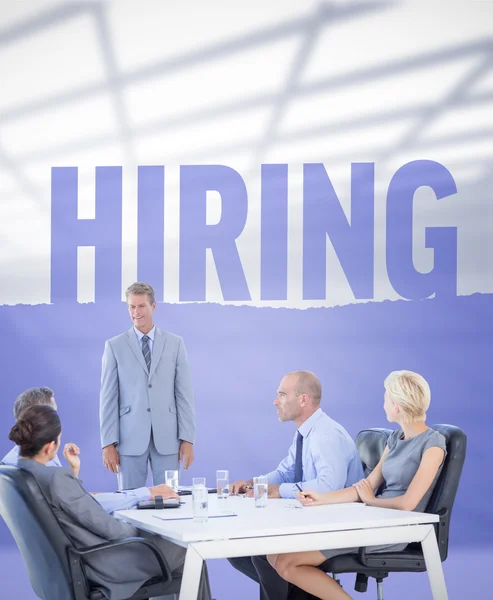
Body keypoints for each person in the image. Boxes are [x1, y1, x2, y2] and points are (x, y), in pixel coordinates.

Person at [267, 370, 447, 600]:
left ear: (397, 405)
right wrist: (321, 498)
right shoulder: (395, 439)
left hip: (396, 528)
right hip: (373, 518)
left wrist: (371, 500)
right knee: (276, 555)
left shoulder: (433, 443)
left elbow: (408, 503)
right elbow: (363, 487)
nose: (383, 404)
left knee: (286, 562)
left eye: (386, 398)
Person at [8, 404, 212, 600]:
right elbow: (116, 532)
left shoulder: (17, 474)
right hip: (103, 566)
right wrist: (142, 530)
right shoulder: (55, 478)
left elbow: (67, 509)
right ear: (50, 446)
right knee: (191, 551)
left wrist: (74, 473)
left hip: (69, 567)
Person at [228, 371, 364, 600]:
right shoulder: (305, 432)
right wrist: (254, 484)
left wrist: (278, 492)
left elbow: (329, 487)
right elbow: (286, 471)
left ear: (303, 400)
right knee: (239, 552)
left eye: (282, 394)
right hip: (314, 521)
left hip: (337, 525)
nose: (275, 401)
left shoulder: (326, 434)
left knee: (262, 554)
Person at [1, 387, 156, 515]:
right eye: (53, 413)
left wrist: (74, 471)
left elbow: (68, 499)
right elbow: (80, 507)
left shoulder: (14, 462)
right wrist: (145, 494)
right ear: (40, 417)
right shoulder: (41, 468)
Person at [100, 281, 195, 489]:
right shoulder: (114, 346)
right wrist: (108, 443)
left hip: (168, 439)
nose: (136, 312)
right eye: (131, 307)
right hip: (129, 438)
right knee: (129, 504)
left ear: (153, 306)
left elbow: (184, 395)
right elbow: (108, 398)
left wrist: (187, 438)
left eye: (141, 306)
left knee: (170, 501)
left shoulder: (175, 343)